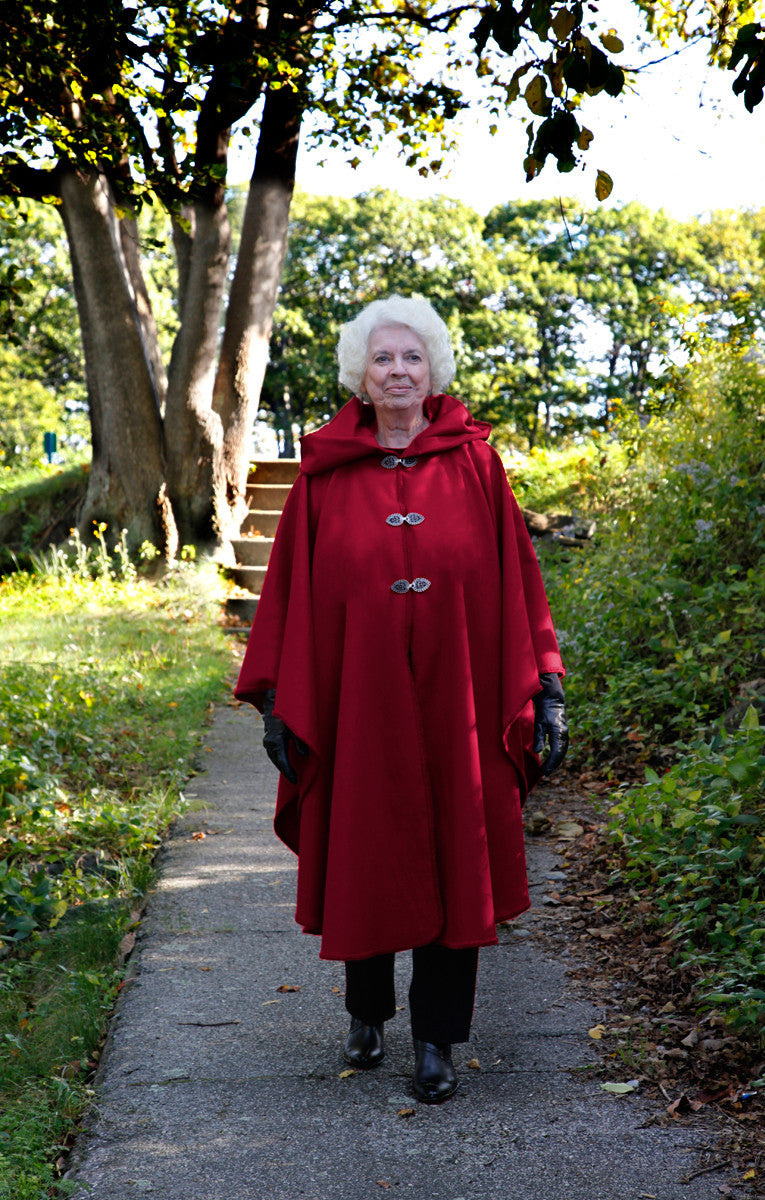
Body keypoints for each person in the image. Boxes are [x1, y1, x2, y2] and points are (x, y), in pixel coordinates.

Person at [234, 295, 568, 1103]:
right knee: (367, 847)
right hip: (359, 699)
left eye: (411, 358)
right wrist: (280, 696)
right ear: (360, 373)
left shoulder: (476, 465)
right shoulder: (323, 474)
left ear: (433, 371)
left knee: (456, 851)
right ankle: (366, 1009)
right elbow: (289, 593)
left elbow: (522, 585)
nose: (397, 371)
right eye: (382, 359)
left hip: (463, 701)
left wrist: (546, 687)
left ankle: (437, 1040)